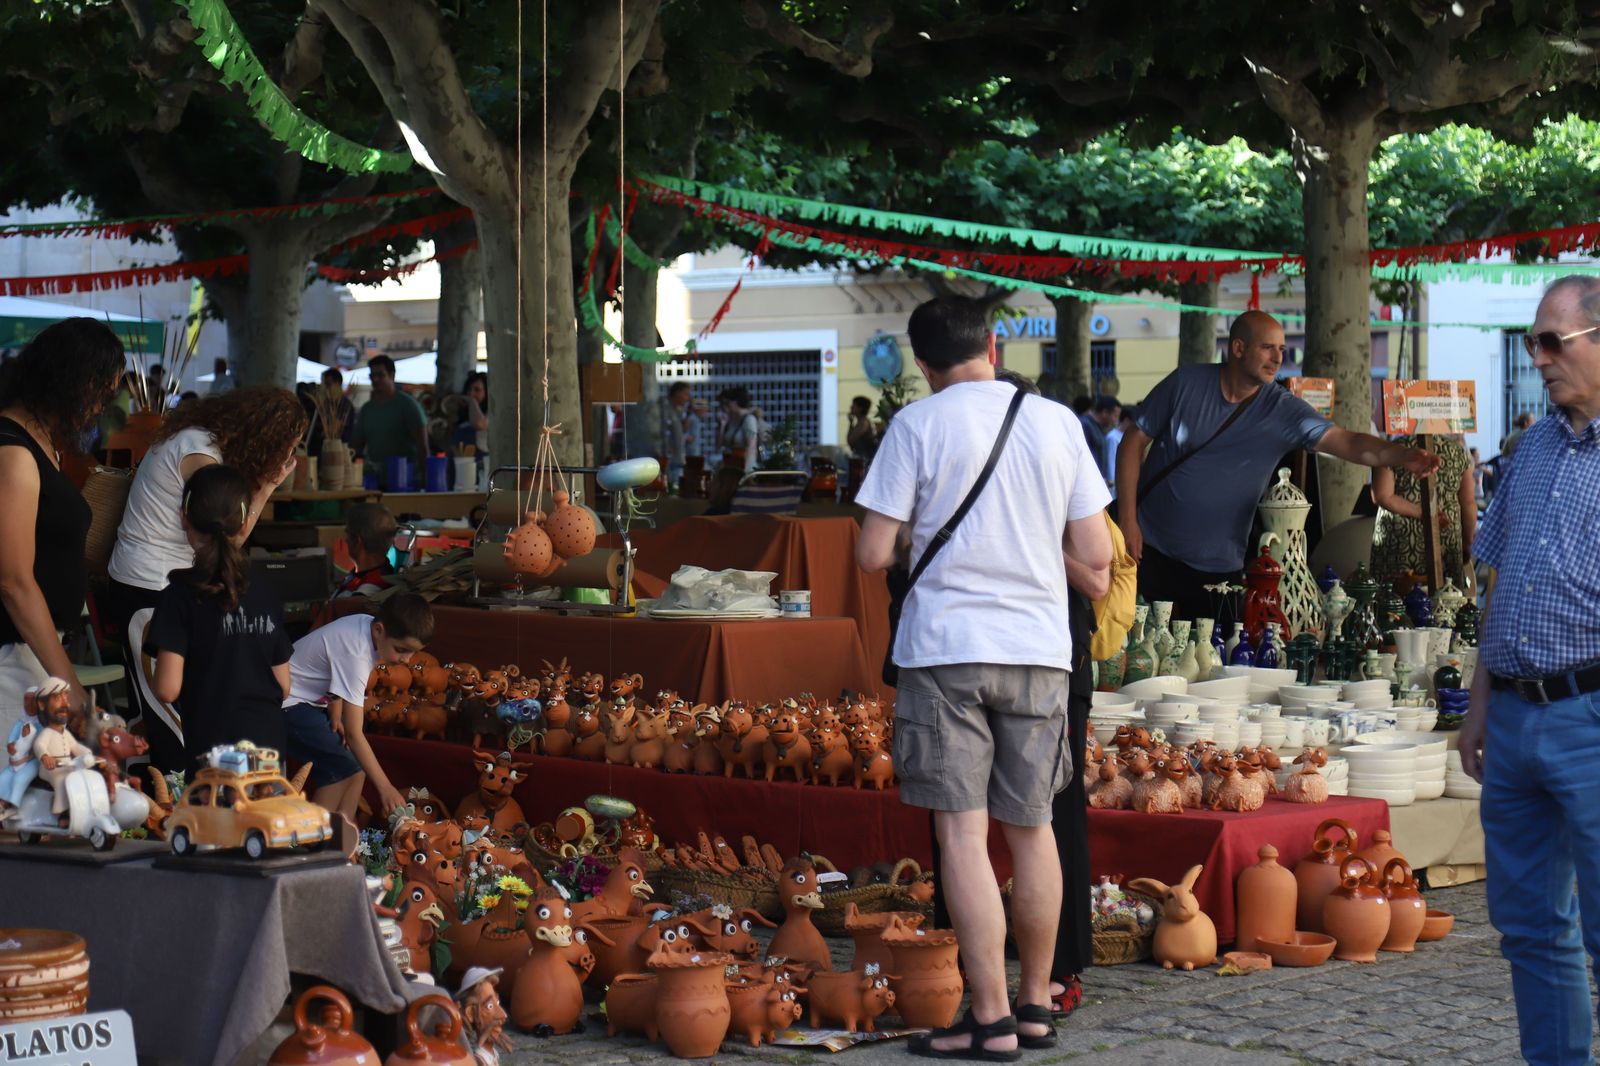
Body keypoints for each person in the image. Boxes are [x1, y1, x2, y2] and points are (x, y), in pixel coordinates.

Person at [855, 296, 1111, 1058]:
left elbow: (872, 555)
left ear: (923, 365)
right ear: (993, 346)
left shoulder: (915, 426)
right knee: (1033, 834)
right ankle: (1035, 1006)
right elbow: (1096, 558)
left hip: (945, 650)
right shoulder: (1058, 422)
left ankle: (990, 1016)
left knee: (963, 836)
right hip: (1039, 648)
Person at [1460, 275, 1600, 1066]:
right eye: (1532, 342)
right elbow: (1501, 581)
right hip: (1513, 716)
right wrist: (1480, 704)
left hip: (1590, 714)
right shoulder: (1535, 445)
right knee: (1530, 932)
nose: (1538, 358)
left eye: (1554, 342)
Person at [1117, 310, 1439, 621]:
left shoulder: (1283, 410)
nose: (1278, 357)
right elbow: (1132, 442)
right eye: (1268, 347)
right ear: (1238, 348)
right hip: (1147, 550)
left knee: (1211, 669)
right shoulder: (1186, 383)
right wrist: (1128, 520)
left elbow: (1348, 442)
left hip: (1218, 568)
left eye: (1282, 349)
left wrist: (1400, 455)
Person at [107, 386, 305, 772]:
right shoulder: (202, 459)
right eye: (288, 445)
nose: (288, 456)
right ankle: (171, 797)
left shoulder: (196, 440)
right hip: (151, 584)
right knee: (167, 712)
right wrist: (265, 487)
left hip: (153, 580)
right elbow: (228, 539)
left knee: (162, 701)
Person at [0, 318, 124, 738]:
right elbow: (14, 582)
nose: (103, 405)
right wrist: (67, 682)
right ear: (72, 379)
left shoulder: (43, 444)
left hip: (35, 649)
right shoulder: (13, 451)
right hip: (13, 653)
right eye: (103, 390)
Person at [145, 465, 292, 771]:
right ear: (245, 522)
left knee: (218, 819)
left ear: (184, 517)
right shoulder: (264, 590)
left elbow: (167, 688)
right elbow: (284, 684)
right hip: (269, 748)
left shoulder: (179, 595)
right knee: (266, 818)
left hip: (212, 751)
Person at [282, 593, 433, 821]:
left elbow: (333, 664)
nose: (407, 660)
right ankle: (313, 840)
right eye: (401, 650)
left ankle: (345, 839)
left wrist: (335, 712)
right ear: (379, 630)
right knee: (341, 772)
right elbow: (354, 734)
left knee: (357, 771)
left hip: (305, 700)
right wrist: (386, 787)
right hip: (286, 704)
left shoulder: (365, 625)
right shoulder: (357, 654)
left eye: (413, 652)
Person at [1370, 432, 1475, 585]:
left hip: (1398, 543)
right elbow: (1468, 502)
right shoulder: (1459, 453)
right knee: (1446, 601)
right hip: (1446, 540)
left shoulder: (1391, 450)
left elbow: (1381, 495)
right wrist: (1466, 541)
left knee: (1392, 604)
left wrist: (1422, 513)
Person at [353, 356, 428, 489]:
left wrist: (425, 479)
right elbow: (357, 447)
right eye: (372, 375)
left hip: (406, 481)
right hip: (375, 480)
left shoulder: (408, 405)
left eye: (380, 375)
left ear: (392, 376)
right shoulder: (367, 409)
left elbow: (423, 447)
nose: (375, 379)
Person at [334, 503, 398, 598]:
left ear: (357, 541)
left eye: (347, 534)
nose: (345, 540)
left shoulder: (369, 589)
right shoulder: (369, 575)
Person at [306, 368, 356, 457]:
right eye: (324, 385)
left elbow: (335, 431)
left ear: (338, 384)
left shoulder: (346, 406)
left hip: (338, 453)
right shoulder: (324, 405)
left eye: (328, 385)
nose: (325, 389)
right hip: (319, 452)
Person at [717, 386, 761, 473]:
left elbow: (751, 447)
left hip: (743, 466)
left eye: (729, 402)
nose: (728, 405)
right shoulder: (732, 420)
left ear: (736, 402)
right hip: (730, 465)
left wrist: (745, 470)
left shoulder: (749, 420)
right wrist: (722, 426)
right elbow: (720, 444)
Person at [1080, 395, 1120, 482]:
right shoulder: (1085, 425)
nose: (1115, 421)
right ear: (1104, 412)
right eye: (1115, 416)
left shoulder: (1098, 428)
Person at [661, 382, 691, 487]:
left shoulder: (678, 410)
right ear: (677, 393)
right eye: (685, 394)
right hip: (669, 460)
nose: (687, 398)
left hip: (678, 458)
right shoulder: (665, 409)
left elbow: (684, 429)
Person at [458, 371, 490, 458]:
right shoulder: (461, 411)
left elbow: (479, 424)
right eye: (469, 389)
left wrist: (472, 401)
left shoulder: (491, 412)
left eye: (477, 390)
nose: (471, 393)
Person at [846, 395, 880, 460]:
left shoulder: (863, 423)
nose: (851, 407)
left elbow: (850, 440)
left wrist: (850, 424)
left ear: (860, 408)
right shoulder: (861, 422)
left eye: (854, 405)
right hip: (860, 457)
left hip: (864, 459)